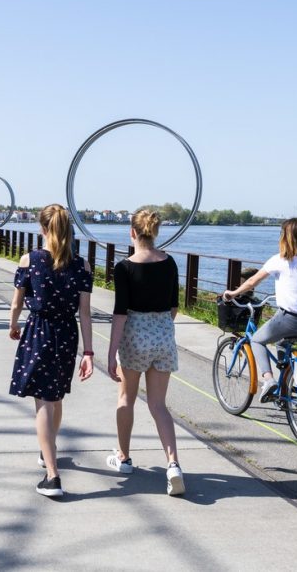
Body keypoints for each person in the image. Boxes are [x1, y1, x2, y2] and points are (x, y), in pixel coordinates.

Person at [8, 204, 94, 498]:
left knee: (43, 401)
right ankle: (48, 451)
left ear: (42, 229)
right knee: (55, 397)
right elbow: (85, 313)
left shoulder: (29, 260)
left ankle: (52, 475)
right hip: (67, 334)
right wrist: (89, 352)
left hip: (39, 330)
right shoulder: (81, 266)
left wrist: (13, 325)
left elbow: (17, 302)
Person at [106, 209, 185, 496]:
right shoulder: (170, 262)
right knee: (158, 405)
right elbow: (175, 305)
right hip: (163, 333)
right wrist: (160, 327)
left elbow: (120, 313)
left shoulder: (124, 267)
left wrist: (111, 350)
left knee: (126, 398)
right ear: (155, 233)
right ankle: (173, 464)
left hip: (134, 336)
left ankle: (123, 458)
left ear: (132, 233)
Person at [222, 217, 297, 403]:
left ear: (285, 237)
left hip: (290, 320)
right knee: (281, 343)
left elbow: (252, 281)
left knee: (257, 340)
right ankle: (286, 382)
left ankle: (269, 381)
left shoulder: (280, 260)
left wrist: (233, 293)